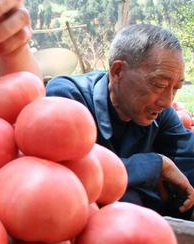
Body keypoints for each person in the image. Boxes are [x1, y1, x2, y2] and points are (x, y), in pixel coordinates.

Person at [46, 23, 194, 218]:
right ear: (117, 72)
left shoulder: (160, 112)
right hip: (80, 222)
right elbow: (70, 171)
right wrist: (155, 164)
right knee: (126, 198)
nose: (167, 102)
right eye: (158, 85)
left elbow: (189, 155)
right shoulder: (68, 98)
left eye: (176, 88)